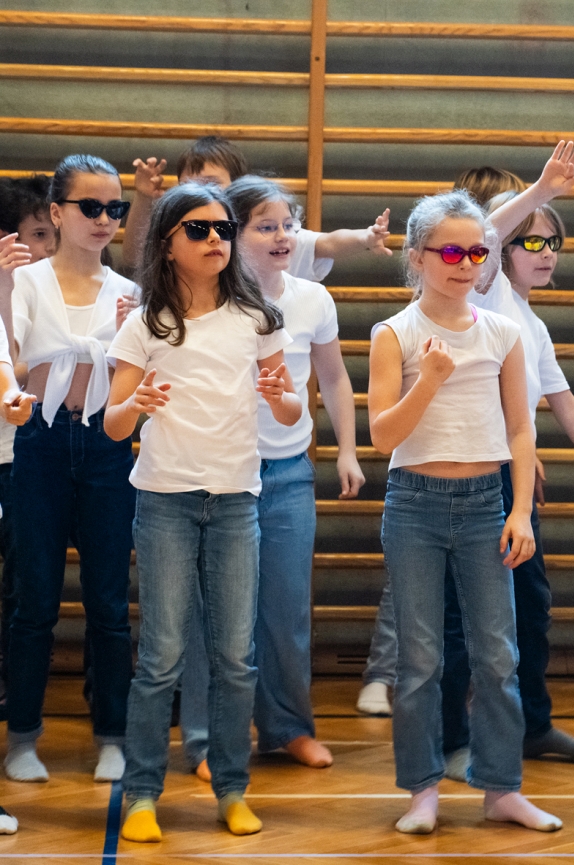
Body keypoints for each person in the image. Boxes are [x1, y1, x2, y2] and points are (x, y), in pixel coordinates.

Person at [105, 182, 300, 842]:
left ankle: (232, 789)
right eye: (198, 229)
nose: (215, 238)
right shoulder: (146, 322)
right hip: (164, 501)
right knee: (160, 654)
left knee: (234, 657)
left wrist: (281, 397)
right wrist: (138, 406)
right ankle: (141, 794)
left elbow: (294, 408)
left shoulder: (258, 317)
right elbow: (110, 423)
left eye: (222, 227)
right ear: (167, 242)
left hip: (236, 500)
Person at [367, 190, 560, 835]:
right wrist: (430, 379)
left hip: (486, 504)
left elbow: (522, 432)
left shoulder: (505, 333)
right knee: (420, 659)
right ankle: (422, 789)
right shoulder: (393, 334)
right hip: (415, 505)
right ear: (418, 257)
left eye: (478, 250)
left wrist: (522, 512)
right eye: (451, 250)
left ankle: (501, 787)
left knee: (497, 656)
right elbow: (384, 438)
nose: (466, 262)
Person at [435, 142, 574, 772]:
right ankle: (453, 739)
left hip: (510, 484)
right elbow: (485, 233)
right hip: (462, 478)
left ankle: (530, 726)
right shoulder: (481, 287)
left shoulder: (529, 326)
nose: (547, 254)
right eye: (533, 242)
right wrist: (541, 190)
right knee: (464, 619)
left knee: (531, 605)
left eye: (554, 244)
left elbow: (567, 406)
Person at [174, 176, 365, 780]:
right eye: (266, 225)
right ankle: (206, 740)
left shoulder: (313, 300)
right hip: (221, 477)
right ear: (233, 234)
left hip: (287, 475)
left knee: (285, 611)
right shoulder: (207, 302)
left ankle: (288, 728)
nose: (283, 236)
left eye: (289, 224)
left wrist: (347, 451)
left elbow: (333, 379)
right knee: (216, 617)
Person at [6, 155, 138, 785]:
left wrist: (125, 345)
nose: (104, 219)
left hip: (107, 442)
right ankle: (23, 736)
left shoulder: (127, 292)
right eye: (91, 207)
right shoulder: (27, 281)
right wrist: (2, 291)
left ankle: (112, 731)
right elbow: (13, 361)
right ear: (57, 213)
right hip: (39, 439)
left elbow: (140, 378)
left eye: (116, 208)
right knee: (34, 597)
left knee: (109, 599)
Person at [122, 136, 392, 279]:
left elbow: (327, 242)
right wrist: (145, 198)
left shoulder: (273, 233)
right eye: (188, 186)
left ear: (238, 184)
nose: (201, 194)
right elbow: (136, 259)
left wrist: (365, 237)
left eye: (212, 184)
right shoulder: (187, 238)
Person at [0, 174, 54, 715]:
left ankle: (15, 700)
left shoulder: (52, 290)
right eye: (37, 235)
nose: (47, 248)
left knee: (23, 589)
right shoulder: (12, 289)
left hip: (23, 456)